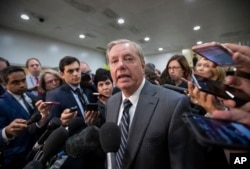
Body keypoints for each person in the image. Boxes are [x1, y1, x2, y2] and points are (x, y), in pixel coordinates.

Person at [105, 39, 211, 169]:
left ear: (142, 65)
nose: (120, 65)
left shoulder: (174, 104)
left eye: (128, 59)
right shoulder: (111, 103)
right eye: (114, 61)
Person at [0, 66, 50, 169]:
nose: (22, 85)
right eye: (15, 82)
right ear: (5, 84)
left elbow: (35, 124)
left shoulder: (31, 96)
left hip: (37, 153)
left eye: (23, 80)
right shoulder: (1, 103)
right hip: (16, 159)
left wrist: (43, 116)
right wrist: (6, 132)